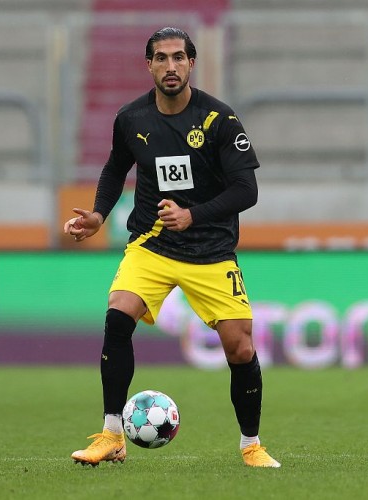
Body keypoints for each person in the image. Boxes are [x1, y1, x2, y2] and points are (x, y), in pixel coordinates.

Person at [64, 27, 280, 468]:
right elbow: (115, 168)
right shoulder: (131, 119)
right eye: (161, 58)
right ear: (149, 65)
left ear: (191, 63)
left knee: (240, 347)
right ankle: (111, 435)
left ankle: (251, 446)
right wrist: (98, 215)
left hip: (211, 250)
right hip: (152, 244)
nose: (170, 66)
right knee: (118, 314)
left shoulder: (219, 120)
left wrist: (192, 215)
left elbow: (247, 190)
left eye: (178, 57)